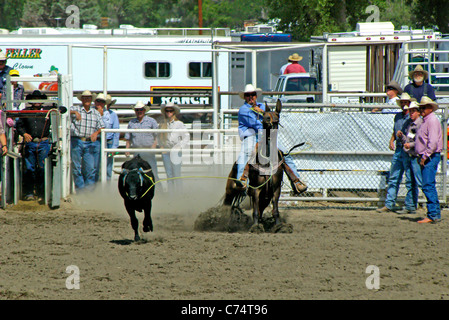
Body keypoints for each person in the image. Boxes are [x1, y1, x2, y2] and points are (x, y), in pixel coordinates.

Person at [236, 84, 307, 194]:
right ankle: (242, 180)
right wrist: (264, 114)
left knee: (285, 152)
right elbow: (257, 124)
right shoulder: (243, 110)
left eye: (253, 95)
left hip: (266, 134)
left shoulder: (262, 106)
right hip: (250, 135)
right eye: (248, 95)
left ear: (256, 96)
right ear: (245, 97)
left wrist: (265, 114)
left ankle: (296, 181)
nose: (251, 97)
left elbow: (271, 117)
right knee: (245, 154)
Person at [377, 92, 416, 213]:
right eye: (402, 103)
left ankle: (410, 205)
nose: (404, 105)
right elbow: (395, 130)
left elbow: (414, 134)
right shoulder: (398, 117)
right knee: (394, 177)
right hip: (399, 148)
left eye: (406, 103)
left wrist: (404, 138)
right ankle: (389, 204)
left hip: (408, 150)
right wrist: (392, 139)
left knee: (410, 179)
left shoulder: (412, 118)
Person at [15, 90, 51, 201]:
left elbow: (61, 110)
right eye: (34, 99)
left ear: (41, 101)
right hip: (30, 143)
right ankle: (29, 193)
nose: (37, 101)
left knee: (42, 168)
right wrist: (24, 134)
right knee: (29, 169)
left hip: (43, 142)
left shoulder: (48, 112)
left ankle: (42, 193)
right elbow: (19, 126)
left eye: (38, 99)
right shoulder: (25, 112)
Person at [415, 96, 443, 223]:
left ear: (430, 108)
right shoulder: (426, 120)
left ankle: (433, 214)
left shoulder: (431, 121)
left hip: (430, 156)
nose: (422, 109)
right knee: (428, 185)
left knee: (427, 185)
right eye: (421, 107)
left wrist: (425, 156)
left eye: (424, 107)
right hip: (428, 155)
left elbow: (432, 142)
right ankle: (434, 213)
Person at [70, 90, 105, 191]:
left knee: (90, 169)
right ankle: (81, 191)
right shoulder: (76, 108)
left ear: (91, 99)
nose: (87, 100)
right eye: (85, 98)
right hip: (77, 140)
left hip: (89, 141)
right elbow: (62, 110)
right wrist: (74, 112)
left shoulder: (95, 112)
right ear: (82, 99)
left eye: (88, 98)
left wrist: (96, 133)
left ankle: (88, 193)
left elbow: (102, 126)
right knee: (76, 168)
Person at [396, 101, 423, 214]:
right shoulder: (409, 123)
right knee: (410, 181)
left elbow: (421, 141)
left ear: (418, 112)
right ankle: (410, 205)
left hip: (416, 155)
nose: (411, 113)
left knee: (419, 181)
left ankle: (430, 205)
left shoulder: (420, 123)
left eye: (413, 111)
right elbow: (409, 139)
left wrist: (409, 145)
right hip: (410, 155)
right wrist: (402, 137)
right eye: (410, 111)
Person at [125, 101, 159, 182]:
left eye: (141, 109)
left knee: (152, 172)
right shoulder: (131, 123)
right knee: (136, 173)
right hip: (137, 151)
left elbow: (157, 135)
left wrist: (153, 147)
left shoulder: (151, 121)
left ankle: (158, 190)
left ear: (144, 110)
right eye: (137, 110)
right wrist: (127, 148)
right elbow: (128, 138)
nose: (139, 111)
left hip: (148, 150)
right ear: (135, 111)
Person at [158, 102, 189, 193]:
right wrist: (162, 147)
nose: (169, 112)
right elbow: (159, 137)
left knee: (176, 174)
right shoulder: (162, 124)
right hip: (166, 151)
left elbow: (186, 136)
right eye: (167, 111)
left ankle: (179, 194)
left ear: (174, 112)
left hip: (175, 151)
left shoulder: (179, 124)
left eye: (171, 111)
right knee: (169, 174)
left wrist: (179, 147)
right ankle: (171, 195)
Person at [94, 93, 120, 181]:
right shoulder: (92, 112)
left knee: (108, 167)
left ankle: (107, 188)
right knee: (95, 166)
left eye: (103, 102)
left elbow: (116, 131)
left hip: (108, 142)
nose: (100, 104)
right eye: (98, 101)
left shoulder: (112, 115)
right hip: (96, 141)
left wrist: (114, 147)